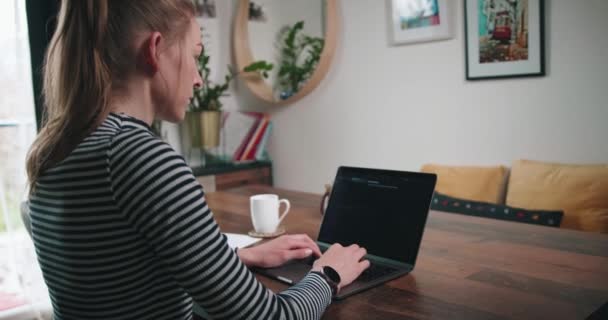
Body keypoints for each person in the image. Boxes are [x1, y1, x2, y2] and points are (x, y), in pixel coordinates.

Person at [25, 1, 369, 319]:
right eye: (194, 54)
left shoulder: (54, 151)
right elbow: (270, 316)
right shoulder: (139, 157)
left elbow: (118, 277)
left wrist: (238, 258)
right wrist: (328, 273)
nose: (198, 77)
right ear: (155, 50)